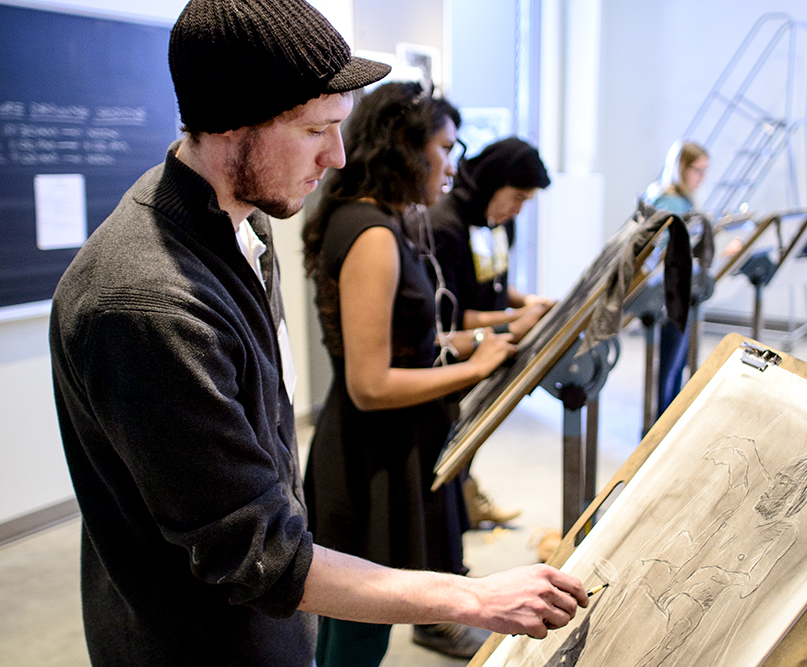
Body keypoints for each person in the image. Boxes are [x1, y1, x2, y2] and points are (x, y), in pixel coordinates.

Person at [48, 2, 587, 666]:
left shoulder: (241, 220)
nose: (336, 155)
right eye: (314, 130)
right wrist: (471, 599)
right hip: (199, 644)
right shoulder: (147, 303)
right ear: (231, 124)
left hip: (263, 627)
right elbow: (258, 552)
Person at [301, 82, 530, 664]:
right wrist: (472, 366)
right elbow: (371, 384)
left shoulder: (382, 223)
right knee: (358, 633)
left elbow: (411, 345)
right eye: (445, 149)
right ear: (405, 147)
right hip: (372, 456)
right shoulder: (372, 234)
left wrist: (480, 339)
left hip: (391, 447)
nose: (452, 167)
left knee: (357, 628)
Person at [424, 136, 555, 527]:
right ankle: (458, 503)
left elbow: (494, 287)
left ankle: (466, 495)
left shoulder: (498, 222)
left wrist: (527, 301)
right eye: (516, 197)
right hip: (455, 354)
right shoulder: (445, 225)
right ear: (493, 181)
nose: (517, 210)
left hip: (490, 343)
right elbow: (450, 316)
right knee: (450, 438)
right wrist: (511, 322)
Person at [643, 140, 711, 413]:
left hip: (678, 289)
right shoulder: (670, 199)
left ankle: (668, 417)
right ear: (681, 167)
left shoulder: (679, 198)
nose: (702, 178)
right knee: (670, 365)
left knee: (676, 364)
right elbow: (662, 248)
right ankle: (662, 422)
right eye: (698, 170)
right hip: (667, 291)